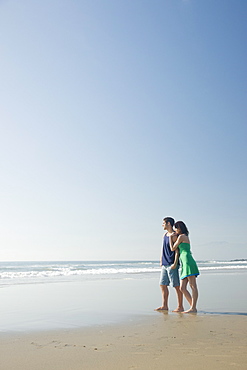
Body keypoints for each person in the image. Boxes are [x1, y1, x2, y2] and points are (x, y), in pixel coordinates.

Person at [169, 221, 199, 313]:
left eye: (176, 228)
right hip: (184, 262)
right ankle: (192, 306)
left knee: (193, 286)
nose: (175, 230)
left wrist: (170, 238)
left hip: (188, 261)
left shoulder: (182, 236)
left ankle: (193, 308)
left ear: (180, 228)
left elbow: (173, 248)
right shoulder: (183, 236)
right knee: (182, 288)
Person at [155, 217, 184, 312]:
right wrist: (161, 260)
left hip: (172, 264)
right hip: (164, 263)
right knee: (162, 284)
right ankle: (164, 305)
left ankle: (180, 306)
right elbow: (163, 249)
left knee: (176, 285)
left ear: (168, 224)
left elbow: (177, 251)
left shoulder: (174, 235)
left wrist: (175, 263)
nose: (162, 225)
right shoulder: (165, 235)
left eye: (163, 223)